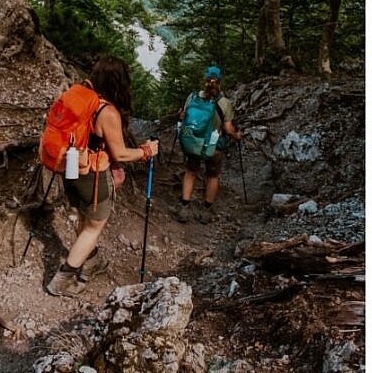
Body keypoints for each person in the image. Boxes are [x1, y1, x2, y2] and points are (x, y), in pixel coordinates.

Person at [46, 57, 159, 297]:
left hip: (71, 169)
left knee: (84, 219)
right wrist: (146, 151)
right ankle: (61, 281)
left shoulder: (81, 94)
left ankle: (91, 262)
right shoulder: (106, 111)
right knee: (92, 228)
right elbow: (119, 152)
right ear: (120, 82)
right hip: (94, 177)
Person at [175, 66, 241, 224]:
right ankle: (206, 211)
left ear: (204, 80)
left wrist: (180, 115)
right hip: (213, 147)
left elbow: (183, 117)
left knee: (191, 172)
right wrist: (237, 136)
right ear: (220, 82)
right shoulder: (224, 103)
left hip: (193, 143)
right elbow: (228, 128)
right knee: (212, 175)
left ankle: (184, 209)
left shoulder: (192, 97)